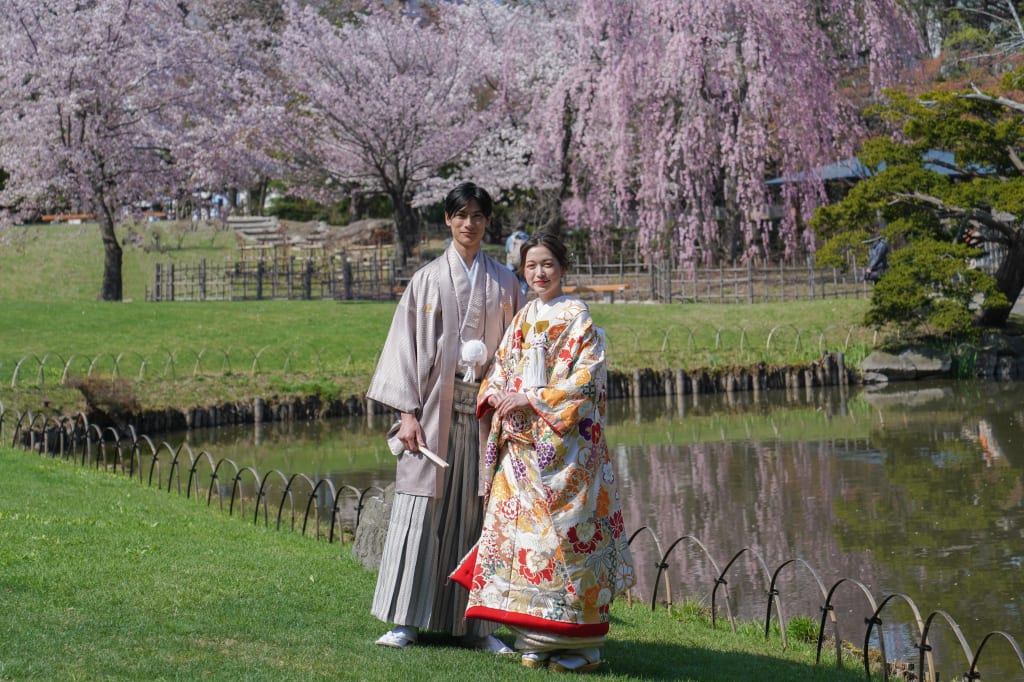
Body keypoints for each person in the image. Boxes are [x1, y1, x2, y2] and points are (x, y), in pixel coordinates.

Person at [451, 232, 635, 673]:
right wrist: (495, 394)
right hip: (523, 452)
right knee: (526, 545)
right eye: (531, 265)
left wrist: (532, 400)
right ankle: (539, 638)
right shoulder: (524, 317)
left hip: (566, 455)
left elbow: (585, 383)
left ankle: (583, 644)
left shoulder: (577, 317)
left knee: (568, 541)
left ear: (563, 268)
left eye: (548, 264)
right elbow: (500, 370)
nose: (539, 273)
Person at [366, 182, 525, 651]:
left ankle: (478, 627)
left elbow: (519, 351)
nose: (469, 224)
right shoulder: (428, 280)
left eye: (478, 215)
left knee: (479, 514)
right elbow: (404, 349)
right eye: (461, 215)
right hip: (432, 412)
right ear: (448, 221)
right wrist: (406, 414)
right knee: (420, 511)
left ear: (487, 222)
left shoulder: (505, 282)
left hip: (485, 414)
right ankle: (404, 621)